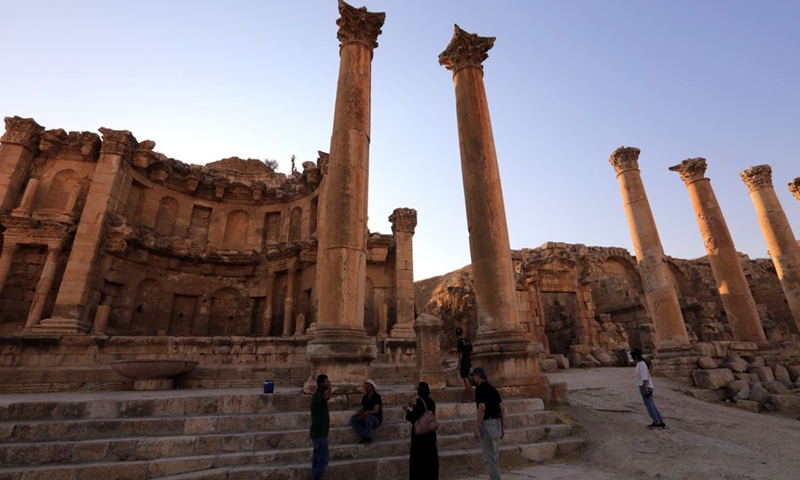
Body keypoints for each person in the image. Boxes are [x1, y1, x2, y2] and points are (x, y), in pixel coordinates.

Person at [470, 367, 504, 480]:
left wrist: (477, 426)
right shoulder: (493, 389)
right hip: (496, 423)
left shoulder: (480, 389)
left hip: (487, 424)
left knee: (490, 459)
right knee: (493, 456)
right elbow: (501, 409)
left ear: (478, 376)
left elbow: (482, 408)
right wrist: (503, 428)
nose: (473, 378)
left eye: (474, 375)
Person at [402, 381, 440, 480]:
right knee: (430, 459)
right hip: (430, 434)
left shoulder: (420, 401)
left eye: (418, 389)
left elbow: (414, 418)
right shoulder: (431, 401)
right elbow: (425, 413)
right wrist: (414, 407)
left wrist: (407, 410)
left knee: (419, 461)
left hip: (420, 437)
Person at [630, 348, 666, 428]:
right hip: (645, 386)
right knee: (651, 404)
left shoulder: (642, 364)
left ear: (636, 356)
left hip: (645, 387)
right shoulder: (640, 363)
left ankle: (656, 422)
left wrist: (646, 389)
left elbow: (645, 378)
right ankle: (660, 420)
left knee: (649, 405)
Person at [310, 374, 332, 480]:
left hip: (319, 433)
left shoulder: (319, 395)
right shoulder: (318, 395)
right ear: (322, 383)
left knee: (317, 460)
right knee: (323, 460)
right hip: (319, 433)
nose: (328, 383)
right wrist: (331, 386)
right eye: (327, 381)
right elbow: (327, 397)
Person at [349, 379, 382, 444]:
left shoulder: (377, 397)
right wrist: (355, 415)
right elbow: (362, 408)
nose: (366, 388)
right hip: (366, 418)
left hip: (375, 419)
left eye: (368, 386)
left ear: (372, 387)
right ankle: (364, 435)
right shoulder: (365, 397)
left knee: (369, 417)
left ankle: (368, 437)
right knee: (353, 421)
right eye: (365, 386)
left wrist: (367, 412)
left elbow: (376, 410)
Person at [456, 327, 474, 401]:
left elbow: (461, 353)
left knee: (465, 379)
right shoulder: (467, 340)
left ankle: (469, 397)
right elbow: (471, 351)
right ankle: (471, 396)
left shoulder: (459, 342)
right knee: (467, 378)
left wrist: (459, 364)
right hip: (468, 361)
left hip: (463, 362)